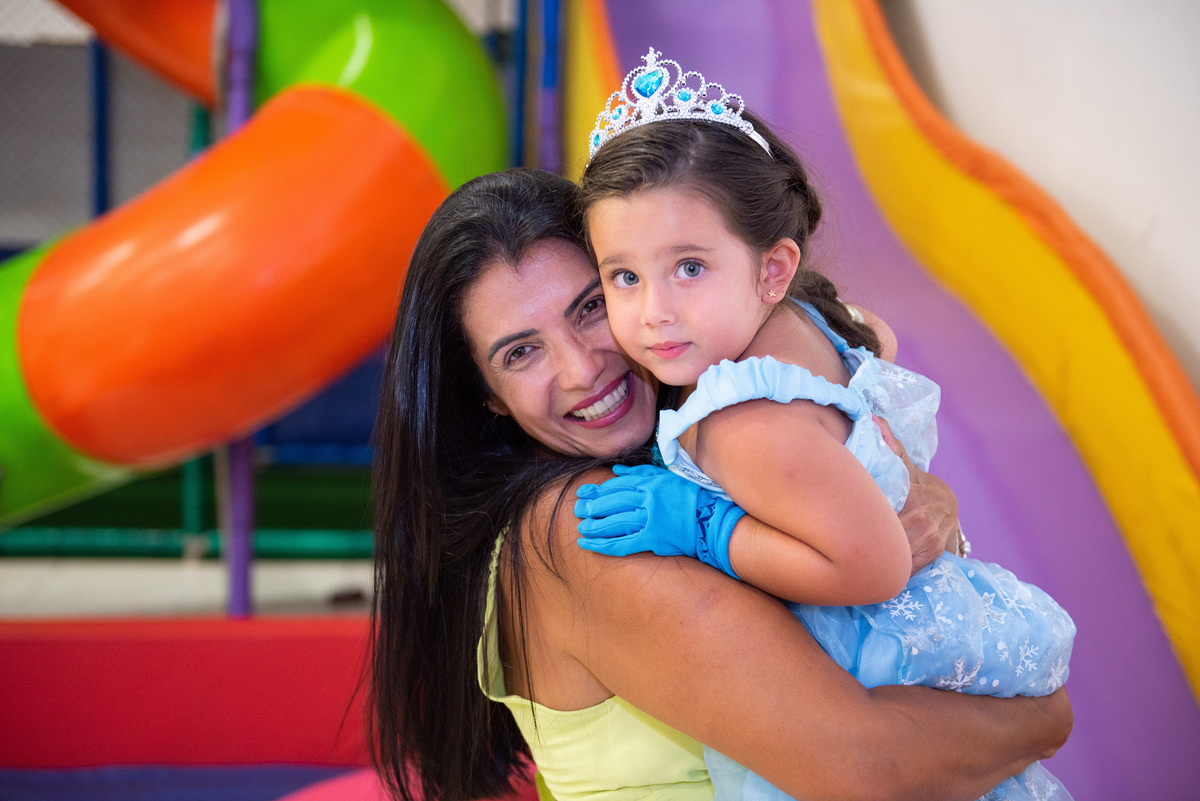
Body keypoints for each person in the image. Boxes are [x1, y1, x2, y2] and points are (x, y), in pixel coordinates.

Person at [368, 166, 1073, 801]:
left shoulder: (702, 446)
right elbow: (867, 766)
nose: (582, 369)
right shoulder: (587, 524)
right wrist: (1042, 717)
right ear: (488, 397)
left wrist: (921, 494)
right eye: (522, 352)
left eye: (590, 307)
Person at [573, 49, 1076, 801]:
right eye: (624, 276)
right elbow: (881, 341)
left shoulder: (742, 419)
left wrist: (703, 524)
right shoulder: (816, 320)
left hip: (884, 685)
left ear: (772, 269)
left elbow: (872, 566)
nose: (654, 312)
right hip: (946, 662)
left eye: (689, 268)